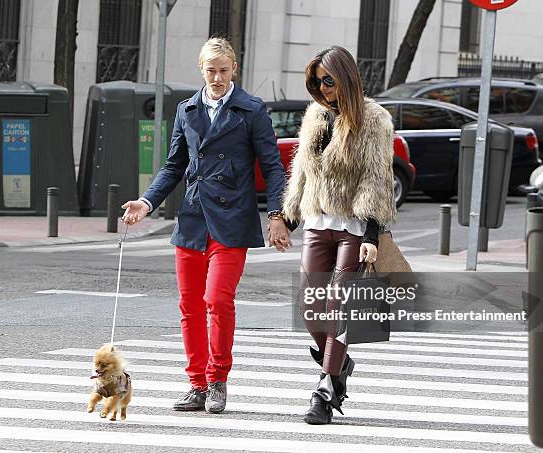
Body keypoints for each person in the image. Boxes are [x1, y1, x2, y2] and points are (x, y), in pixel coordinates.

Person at [121, 37, 291, 414]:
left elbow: (274, 168)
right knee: (190, 306)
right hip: (194, 219)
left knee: (217, 300)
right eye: (210, 71)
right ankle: (196, 384)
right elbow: (173, 166)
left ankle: (217, 380)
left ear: (234, 71)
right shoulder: (188, 109)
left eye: (223, 71)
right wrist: (146, 201)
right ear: (201, 70)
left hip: (232, 221)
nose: (216, 78)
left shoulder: (252, 110)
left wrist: (277, 216)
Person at [281, 46, 396, 425]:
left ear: (345, 79)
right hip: (317, 222)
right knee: (310, 308)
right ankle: (340, 360)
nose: (322, 87)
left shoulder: (375, 120)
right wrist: (287, 216)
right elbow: (301, 170)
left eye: (328, 80)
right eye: (316, 80)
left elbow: (377, 179)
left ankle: (325, 389)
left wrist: (372, 234)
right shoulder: (315, 114)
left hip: (354, 226)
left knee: (339, 307)